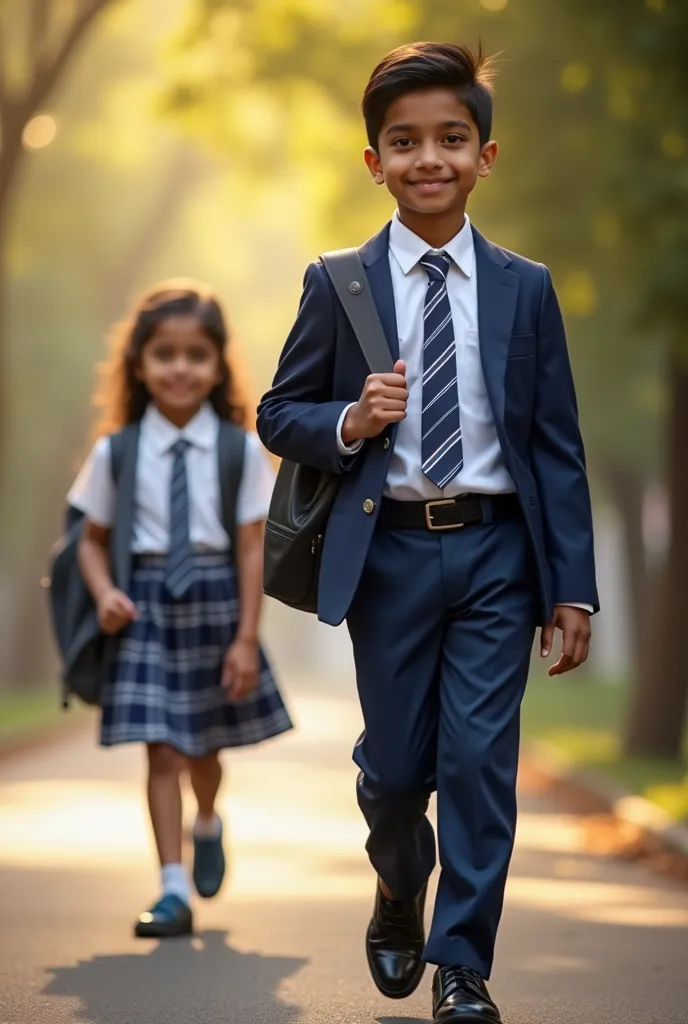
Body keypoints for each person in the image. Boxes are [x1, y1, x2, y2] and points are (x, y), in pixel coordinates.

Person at [257, 42, 598, 1024]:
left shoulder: (525, 287)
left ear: (485, 154)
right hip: (390, 552)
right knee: (399, 770)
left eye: (450, 138)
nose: (428, 158)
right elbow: (279, 411)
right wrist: (349, 421)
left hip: (498, 553)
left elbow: (556, 447)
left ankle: (462, 966)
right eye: (403, 143)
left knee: (478, 762)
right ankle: (399, 880)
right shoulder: (340, 282)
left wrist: (569, 586)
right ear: (374, 162)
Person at [69, 281, 292, 938]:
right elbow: (89, 539)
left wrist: (247, 638)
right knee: (161, 748)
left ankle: (207, 821)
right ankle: (171, 889)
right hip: (143, 606)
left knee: (205, 749)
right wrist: (106, 591)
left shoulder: (240, 449)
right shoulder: (117, 450)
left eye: (196, 354)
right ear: (138, 364)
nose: (180, 368)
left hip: (217, 602)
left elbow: (253, 550)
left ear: (219, 365)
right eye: (164, 354)